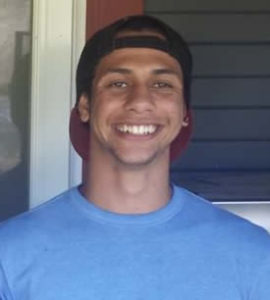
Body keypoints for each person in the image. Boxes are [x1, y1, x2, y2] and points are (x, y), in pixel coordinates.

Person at [0, 15, 270, 300]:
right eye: (118, 83)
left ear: (184, 113)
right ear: (85, 106)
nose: (140, 101)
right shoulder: (9, 255)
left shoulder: (253, 256)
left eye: (162, 84)